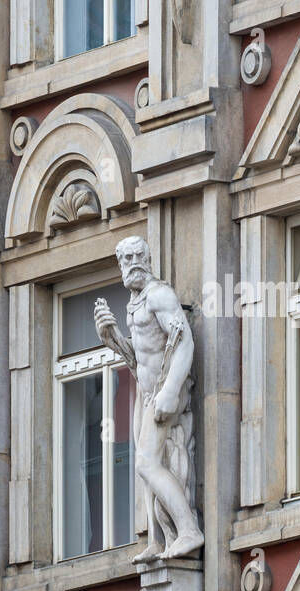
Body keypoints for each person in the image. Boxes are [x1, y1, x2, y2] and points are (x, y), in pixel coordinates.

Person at [93, 236, 204, 562]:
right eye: (126, 258)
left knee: (146, 463)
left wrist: (170, 391)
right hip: (147, 392)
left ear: (148, 257)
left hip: (167, 391)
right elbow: (138, 358)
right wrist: (111, 338)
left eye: (137, 256)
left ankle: (189, 530)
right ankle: (156, 540)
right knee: (142, 463)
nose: (132, 263)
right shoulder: (134, 304)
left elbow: (183, 342)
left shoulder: (159, 295)